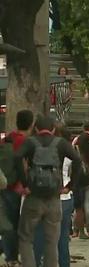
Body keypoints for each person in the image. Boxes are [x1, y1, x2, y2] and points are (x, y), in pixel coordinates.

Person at [15, 116, 81, 267]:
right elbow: (77, 160)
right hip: (54, 198)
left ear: (36, 128)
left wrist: (25, 183)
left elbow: (17, 157)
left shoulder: (30, 142)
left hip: (33, 197)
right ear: (52, 129)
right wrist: (70, 186)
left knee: (25, 237)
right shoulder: (61, 144)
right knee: (52, 241)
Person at [33, 125, 75, 267]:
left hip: (42, 197)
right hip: (64, 197)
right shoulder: (68, 150)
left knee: (39, 236)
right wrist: (69, 186)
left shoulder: (38, 149)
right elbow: (79, 166)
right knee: (62, 239)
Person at [1, 110, 34, 267]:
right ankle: (12, 257)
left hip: (4, 183)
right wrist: (25, 184)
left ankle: (9, 256)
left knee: (7, 222)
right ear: (30, 124)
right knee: (13, 224)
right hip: (15, 186)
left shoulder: (8, 138)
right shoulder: (23, 141)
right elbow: (23, 165)